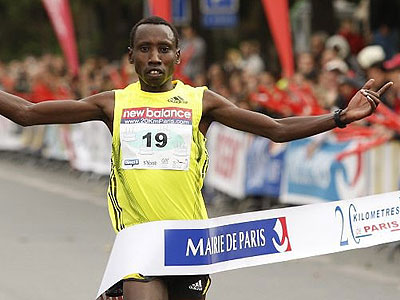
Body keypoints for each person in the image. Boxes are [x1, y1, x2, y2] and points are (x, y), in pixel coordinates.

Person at [0, 16, 392, 300]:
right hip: (139, 241)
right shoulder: (112, 104)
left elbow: (276, 129)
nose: (155, 56)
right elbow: (27, 113)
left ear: (178, 57)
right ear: (131, 57)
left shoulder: (200, 101)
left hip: (190, 243)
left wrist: (338, 117)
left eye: (164, 49)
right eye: (145, 48)